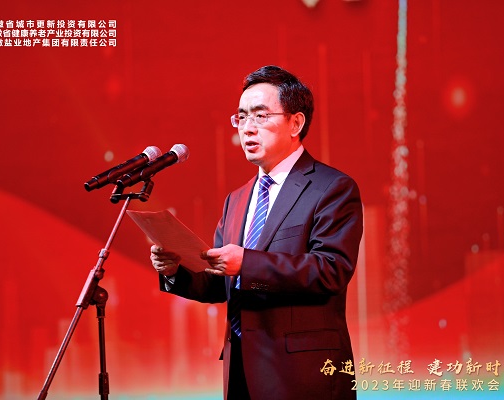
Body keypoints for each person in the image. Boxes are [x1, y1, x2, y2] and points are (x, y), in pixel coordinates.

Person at [150, 65, 363, 400]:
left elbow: (331, 270)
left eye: (260, 116)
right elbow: (220, 283)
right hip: (240, 372)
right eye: (241, 117)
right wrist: (175, 270)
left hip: (302, 374)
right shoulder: (236, 199)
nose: (247, 128)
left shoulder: (331, 187)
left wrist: (247, 263)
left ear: (296, 123)